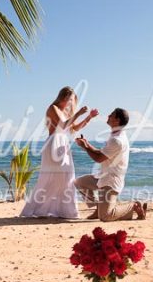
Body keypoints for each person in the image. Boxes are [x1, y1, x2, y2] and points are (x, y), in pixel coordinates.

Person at [20, 87, 97, 218]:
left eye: (73, 100)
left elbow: (75, 128)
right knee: (50, 177)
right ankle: (37, 209)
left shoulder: (66, 112)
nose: (71, 103)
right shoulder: (53, 108)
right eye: (70, 99)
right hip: (54, 143)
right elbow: (62, 125)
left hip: (63, 144)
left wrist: (89, 117)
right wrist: (78, 113)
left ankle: (64, 211)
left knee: (66, 177)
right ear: (63, 96)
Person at [74, 108, 146, 221]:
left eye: (111, 115)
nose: (108, 116)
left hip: (110, 181)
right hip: (102, 177)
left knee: (105, 216)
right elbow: (101, 152)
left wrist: (85, 147)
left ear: (117, 120)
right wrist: (87, 144)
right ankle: (99, 207)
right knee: (79, 182)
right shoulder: (116, 134)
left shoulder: (117, 140)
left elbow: (98, 158)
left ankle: (133, 206)